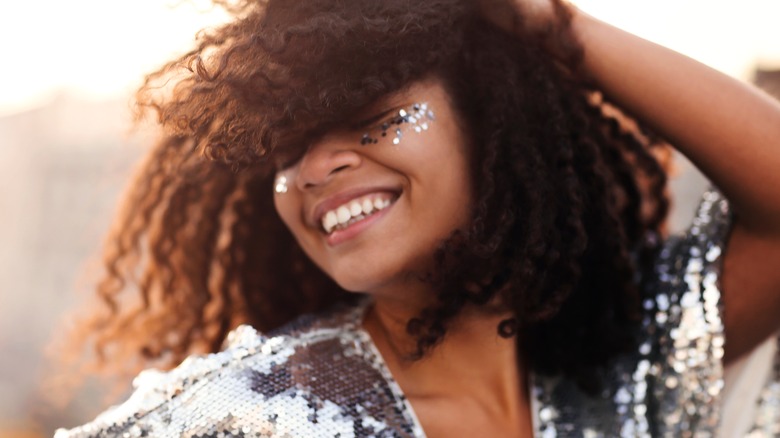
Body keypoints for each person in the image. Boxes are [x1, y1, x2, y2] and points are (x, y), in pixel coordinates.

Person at [55, 0, 780, 436]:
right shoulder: (249, 411)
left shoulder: (626, 363)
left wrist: (535, 19)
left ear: (493, 122)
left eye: (372, 119)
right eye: (288, 148)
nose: (314, 168)